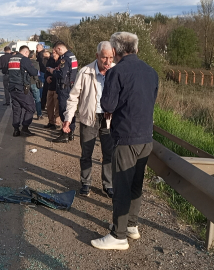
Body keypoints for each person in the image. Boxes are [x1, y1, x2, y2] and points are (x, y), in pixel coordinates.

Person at [91, 32, 159, 250]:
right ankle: (131, 225)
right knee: (136, 185)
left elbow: (108, 105)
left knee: (121, 186)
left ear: (116, 51)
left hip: (126, 137)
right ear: (136, 49)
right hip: (146, 137)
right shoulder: (151, 72)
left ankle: (118, 235)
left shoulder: (116, 72)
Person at [63, 41, 115, 198]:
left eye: (111, 58)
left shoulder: (116, 72)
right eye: (104, 58)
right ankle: (86, 183)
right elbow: (73, 97)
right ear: (97, 56)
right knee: (87, 152)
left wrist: (112, 110)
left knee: (109, 154)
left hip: (109, 119)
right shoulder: (85, 72)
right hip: (89, 118)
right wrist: (68, 118)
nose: (108, 62)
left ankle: (108, 185)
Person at [46, 41, 78, 143]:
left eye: (56, 50)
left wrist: (52, 71)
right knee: (70, 110)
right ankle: (70, 132)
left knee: (64, 110)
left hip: (64, 88)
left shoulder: (65, 58)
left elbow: (61, 74)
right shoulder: (72, 56)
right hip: (70, 86)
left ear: (59, 49)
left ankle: (65, 134)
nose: (55, 52)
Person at [8, 45, 39, 137]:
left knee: (16, 109)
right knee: (31, 107)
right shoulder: (24, 59)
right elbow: (33, 72)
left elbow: (7, 71)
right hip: (21, 88)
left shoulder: (11, 59)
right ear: (26, 52)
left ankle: (16, 130)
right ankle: (25, 128)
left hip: (12, 87)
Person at [43, 50, 61, 130]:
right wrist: (47, 77)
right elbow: (46, 71)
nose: (53, 54)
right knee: (49, 105)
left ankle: (57, 123)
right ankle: (51, 122)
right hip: (50, 87)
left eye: (55, 52)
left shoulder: (61, 61)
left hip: (58, 87)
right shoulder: (50, 61)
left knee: (57, 107)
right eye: (53, 52)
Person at [28, 51, 43, 120]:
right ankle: (39, 114)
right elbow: (37, 73)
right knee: (37, 99)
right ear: (33, 56)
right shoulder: (36, 63)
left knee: (29, 99)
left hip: (27, 83)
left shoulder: (25, 63)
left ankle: (29, 114)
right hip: (34, 83)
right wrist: (37, 81)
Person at [36, 44, 47, 109]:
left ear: (40, 48)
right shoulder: (45, 53)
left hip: (42, 72)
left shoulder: (40, 54)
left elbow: (41, 64)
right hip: (45, 72)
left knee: (41, 87)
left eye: (37, 48)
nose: (36, 49)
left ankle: (41, 102)